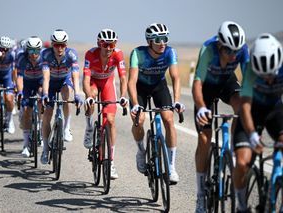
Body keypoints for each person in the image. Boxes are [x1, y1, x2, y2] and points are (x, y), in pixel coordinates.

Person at [192, 21, 249, 212]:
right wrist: (201, 108)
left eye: (236, 51)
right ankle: (200, 195)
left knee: (241, 106)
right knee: (204, 138)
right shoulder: (208, 49)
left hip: (227, 82)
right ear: (219, 45)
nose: (233, 55)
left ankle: (233, 149)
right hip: (206, 87)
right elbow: (197, 83)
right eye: (228, 51)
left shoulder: (242, 49)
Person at [128, 23, 185, 184]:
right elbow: (131, 82)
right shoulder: (137, 53)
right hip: (140, 88)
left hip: (159, 87)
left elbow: (176, 77)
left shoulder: (169, 52)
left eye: (165, 39)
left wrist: (177, 101)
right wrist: (135, 104)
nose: (162, 43)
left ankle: (171, 166)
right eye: (158, 40)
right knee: (139, 120)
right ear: (149, 41)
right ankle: (141, 151)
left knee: (168, 119)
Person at [233, 33, 283, 213]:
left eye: (271, 74)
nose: (268, 79)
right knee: (242, 162)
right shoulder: (251, 71)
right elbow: (244, 106)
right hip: (252, 112)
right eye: (264, 75)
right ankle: (241, 205)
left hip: (276, 111)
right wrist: (253, 134)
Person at [83, 29, 128, 179]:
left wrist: (123, 96)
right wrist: (88, 96)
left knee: (110, 120)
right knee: (92, 97)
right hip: (93, 83)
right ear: (99, 44)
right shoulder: (90, 54)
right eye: (105, 44)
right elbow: (85, 79)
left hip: (108, 83)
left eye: (112, 44)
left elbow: (122, 78)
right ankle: (89, 127)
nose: (108, 48)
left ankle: (111, 162)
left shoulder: (118, 54)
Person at [40, 29, 82, 164]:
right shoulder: (45, 54)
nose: (59, 48)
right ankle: (46, 149)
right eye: (57, 45)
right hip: (51, 84)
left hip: (65, 80)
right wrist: (45, 94)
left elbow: (75, 76)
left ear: (66, 45)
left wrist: (77, 94)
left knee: (66, 92)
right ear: (52, 45)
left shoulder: (71, 54)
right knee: (47, 114)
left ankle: (66, 128)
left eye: (62, 45)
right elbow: (46, 78)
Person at [16, 36, 43, 157]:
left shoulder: (44, 58)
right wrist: (20, 92)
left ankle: (40, 128)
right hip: (27, 84)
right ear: (27, 50)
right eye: (31, 51)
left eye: (36, 51)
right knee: (27, 111)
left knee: (42, 99)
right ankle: (26, 145)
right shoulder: (22, 58)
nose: (34, 54)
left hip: (40, 82)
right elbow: (20, 77)